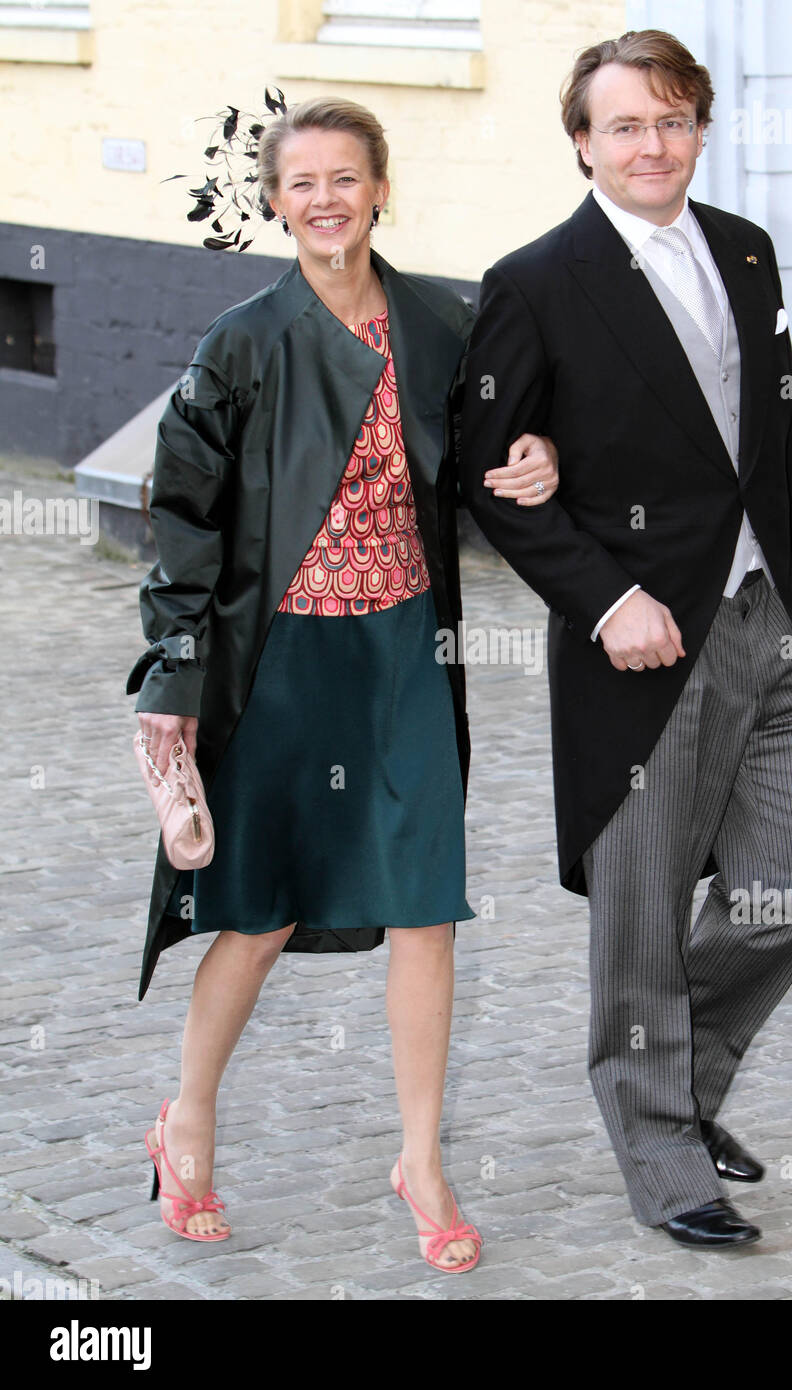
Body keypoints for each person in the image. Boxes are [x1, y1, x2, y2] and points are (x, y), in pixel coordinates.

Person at [126, 96, 559, 1271]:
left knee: (427, 907)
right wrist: (174, 665)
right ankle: (190, 1123)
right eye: (302, 180)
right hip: (279, 660)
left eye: (346, 178)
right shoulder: (244, 341)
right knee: (258, 915)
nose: (325, 199)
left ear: (381, 189)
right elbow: (183, 518)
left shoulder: (435, 324)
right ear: (275, 200)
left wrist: (535, 459)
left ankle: (420, 1158)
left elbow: (485, 452)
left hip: (405, 651)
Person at [460, 30, 792, 1249]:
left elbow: (771, 438)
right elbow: (482, 469)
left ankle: (673, 1082)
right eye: (626, 124)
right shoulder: (535, 281)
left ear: (701, 128)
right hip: (640, 643)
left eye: (675, 119)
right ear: (582, 141)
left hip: (769, 618)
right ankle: (661, 1150)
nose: (654, 144)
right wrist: (602, 598)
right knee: (639, 910)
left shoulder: (746, 248)